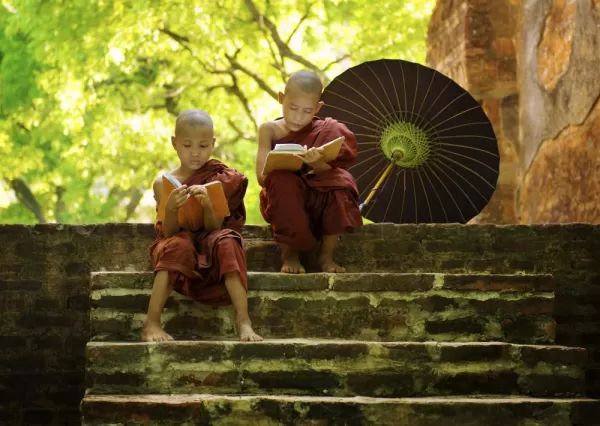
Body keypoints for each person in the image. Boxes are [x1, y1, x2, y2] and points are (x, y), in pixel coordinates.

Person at [144, 109, 262, 342]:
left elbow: (214, 227)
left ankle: (243, 319)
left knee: (227, 241)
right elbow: (168, 233)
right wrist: (170, 208)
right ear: (174, 143)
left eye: (203, 146)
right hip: (178, 239)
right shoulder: (163, 183)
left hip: (209, 238)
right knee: (178, 245)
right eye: (187, 146)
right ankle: (151, 322)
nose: (195, 153)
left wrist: (208, 205)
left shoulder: (218, 179)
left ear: (213, 144)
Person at [256, 70, 363, 274]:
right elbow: (262, 178)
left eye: (307, 111)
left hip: (316, 197)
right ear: (281, 99)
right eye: (292, 108)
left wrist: (318, 163)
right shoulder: (268, 129)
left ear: (317, 108)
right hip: (283, 197)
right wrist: (284, 163)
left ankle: (326, 256)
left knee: (341, 180)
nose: (298, 117)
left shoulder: (327, 129)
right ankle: (290, 255)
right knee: (281, 180)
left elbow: (331, 172)